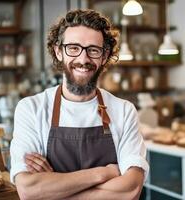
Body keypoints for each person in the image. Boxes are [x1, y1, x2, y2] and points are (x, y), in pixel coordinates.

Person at [10, 9, 149, 200]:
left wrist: (54, 189)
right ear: (59, 52)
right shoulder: (31, 109)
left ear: (104, 56)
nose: (83, 60)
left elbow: (130, 190)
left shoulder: (124, 111)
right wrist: (103, 173)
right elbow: (29, 191)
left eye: (93, 50)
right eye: (73, 48)